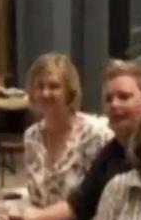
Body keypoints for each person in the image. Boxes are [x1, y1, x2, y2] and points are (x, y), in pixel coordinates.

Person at [2, 60, 141, 220]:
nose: (114, 105)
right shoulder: (113, 152)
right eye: (108, 99)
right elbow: (78, 205)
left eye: (124, 97)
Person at [23, 53, 112, 208]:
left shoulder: (96, 134)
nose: (45, 93)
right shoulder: (32, 136)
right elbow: (35, 198)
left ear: (70, 92)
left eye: (53, 86)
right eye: (40, 86)